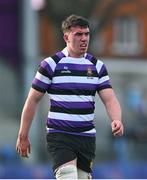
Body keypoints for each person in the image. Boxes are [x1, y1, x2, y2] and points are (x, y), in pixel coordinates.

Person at [16, 14, 124, 179]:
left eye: (86, 34)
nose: (84, 39)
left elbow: (109, 98)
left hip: (86, 137)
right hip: (60, 134)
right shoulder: (50, 65)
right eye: (78, 34)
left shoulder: (97, 66)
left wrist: (116, 119)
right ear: (66, 37)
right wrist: (23, 135)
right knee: (68, 176)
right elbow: (32, 100)